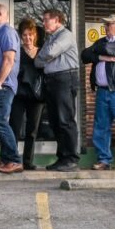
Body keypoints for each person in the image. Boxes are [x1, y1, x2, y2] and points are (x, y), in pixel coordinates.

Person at [82, 14, 115, 171]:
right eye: (105, 25)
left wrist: (97, 53)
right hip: (102, 91)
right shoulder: (101, 41)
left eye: (109, 24)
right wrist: (103, 57)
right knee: (101, 126)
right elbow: (85, 55)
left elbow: (106, 49)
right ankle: (104, 159)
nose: (105, 27)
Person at [34, 9, 81, 171]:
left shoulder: (65, 35)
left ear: (57, 20)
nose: (44, 23)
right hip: (52, 80)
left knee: (65, 119)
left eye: (47, 19)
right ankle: (62, 157)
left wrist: (45, 56)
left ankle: (71, 158)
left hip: (65, 79)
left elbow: (49, 52)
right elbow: (38, 62)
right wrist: (45, 57)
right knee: (55, 120)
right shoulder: (51, 38)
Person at [0, 4, 23, 174]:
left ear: (0, 14)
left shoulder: (7, 32)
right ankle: (5, 160)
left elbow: (9, 60)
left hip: (4, 85)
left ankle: (15, 160)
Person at [12, 18, 48, 170]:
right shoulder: (17, 52)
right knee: (14, 127)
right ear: (21, 36)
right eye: (25, 35)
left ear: (35, 36)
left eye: (30, 35)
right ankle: (12, 159)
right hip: (19, 94)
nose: (28, 38)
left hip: (37, 96)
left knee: (32, 130)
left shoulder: (42, 52)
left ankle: (27, 161)